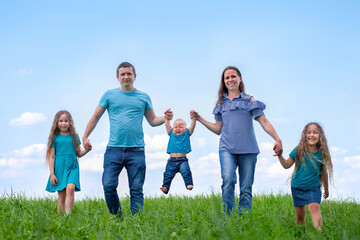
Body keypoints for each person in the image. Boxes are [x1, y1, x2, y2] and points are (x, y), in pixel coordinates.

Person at [83, 62, 172, 217]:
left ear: (134, 76)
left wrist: (165, 118)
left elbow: (152, 121)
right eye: (123, 74)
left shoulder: (143, 97)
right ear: (118, 77)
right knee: (108, 186)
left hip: (136, 150)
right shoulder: (109, 95)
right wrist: (85, 136)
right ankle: (117, 218)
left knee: (136, 189)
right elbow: (95, 117)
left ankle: (136, 223)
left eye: (129, 74)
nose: (126, 77)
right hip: (114, 149)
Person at [193, 66, 282, 214]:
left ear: (240, 79)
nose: (230, 80)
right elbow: (217, 129)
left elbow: (264, 122)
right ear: (224, 81)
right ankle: (228, 218)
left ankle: (244, 220)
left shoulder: (249, 100)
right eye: (227, 78)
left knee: (246, 188)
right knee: (228, 179)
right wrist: (200, 119)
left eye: (233, 76)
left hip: (248, 149)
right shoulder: (221, 104)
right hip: (227, 148)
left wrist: (277, 139)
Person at [277, 122, 333, 230]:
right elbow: (286, 165)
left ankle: (319, 234)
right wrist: (280, 155)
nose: (312, 135)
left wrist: (326, 189)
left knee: (314, 207)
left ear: (320, 135)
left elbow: (324, 173)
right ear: (305, 135)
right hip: (297, 187)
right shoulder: (299, 149)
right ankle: (301, 233)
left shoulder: (322, 153)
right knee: (300, 217)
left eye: (315, 133)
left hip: (313, 188)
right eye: (309, 132)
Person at [45, 110, 91, 215]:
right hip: (59, 168)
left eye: (66, 121)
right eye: (61, 121)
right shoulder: (54, 138)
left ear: (70, 122)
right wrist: (52, 174)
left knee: (70, 188)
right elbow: (51, 157)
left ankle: (68, 216)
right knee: (61, 196)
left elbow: (78, 153)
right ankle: (61, 220)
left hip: (72, 166)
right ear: (57, 123)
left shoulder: (74, 136)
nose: (63, 123)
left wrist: (87, 150)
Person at [160, 111, 196, 194]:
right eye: (175, 127)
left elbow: (192, 126)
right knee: (168, 174)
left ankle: (189, 184)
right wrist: (166, 117)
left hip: (183, 160)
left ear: (185, 129)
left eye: (181, 127)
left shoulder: (187, 133)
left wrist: (193, 118)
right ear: (173, 128)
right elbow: (167, 124)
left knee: (186, 172)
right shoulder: (171, 133)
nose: (178, 128)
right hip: (172, 160)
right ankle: (165, 187)